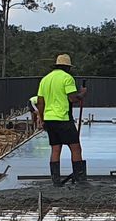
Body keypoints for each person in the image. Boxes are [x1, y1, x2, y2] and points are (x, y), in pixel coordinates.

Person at [29, 54, 87, 186]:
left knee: (55, 149)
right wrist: (82, 93)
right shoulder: (67, 78)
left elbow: (40, 102)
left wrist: (42, 119)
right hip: (63, 118)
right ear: (67, 67)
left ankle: (56, 181)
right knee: (75, 148)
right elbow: (72, 98)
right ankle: (80, 179)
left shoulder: (45, 79)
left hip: (49, 119)